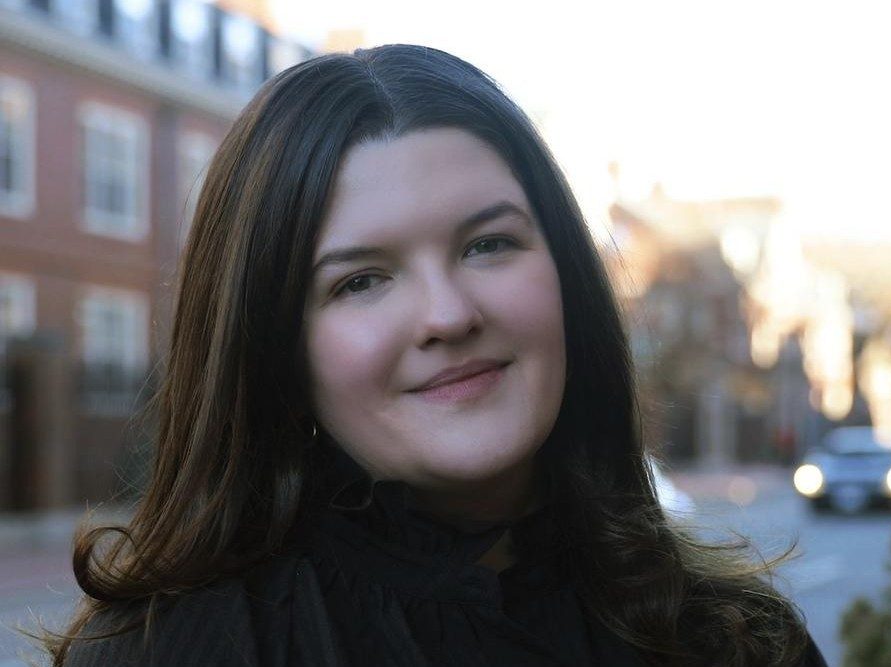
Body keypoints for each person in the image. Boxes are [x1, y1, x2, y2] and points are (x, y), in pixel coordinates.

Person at [45, 44, 826, 666]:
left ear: (566, 272)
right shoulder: (164, 650)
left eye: (489, 244)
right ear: (273, 343)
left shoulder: (735, 640)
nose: (449, 315)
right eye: (360, 281)